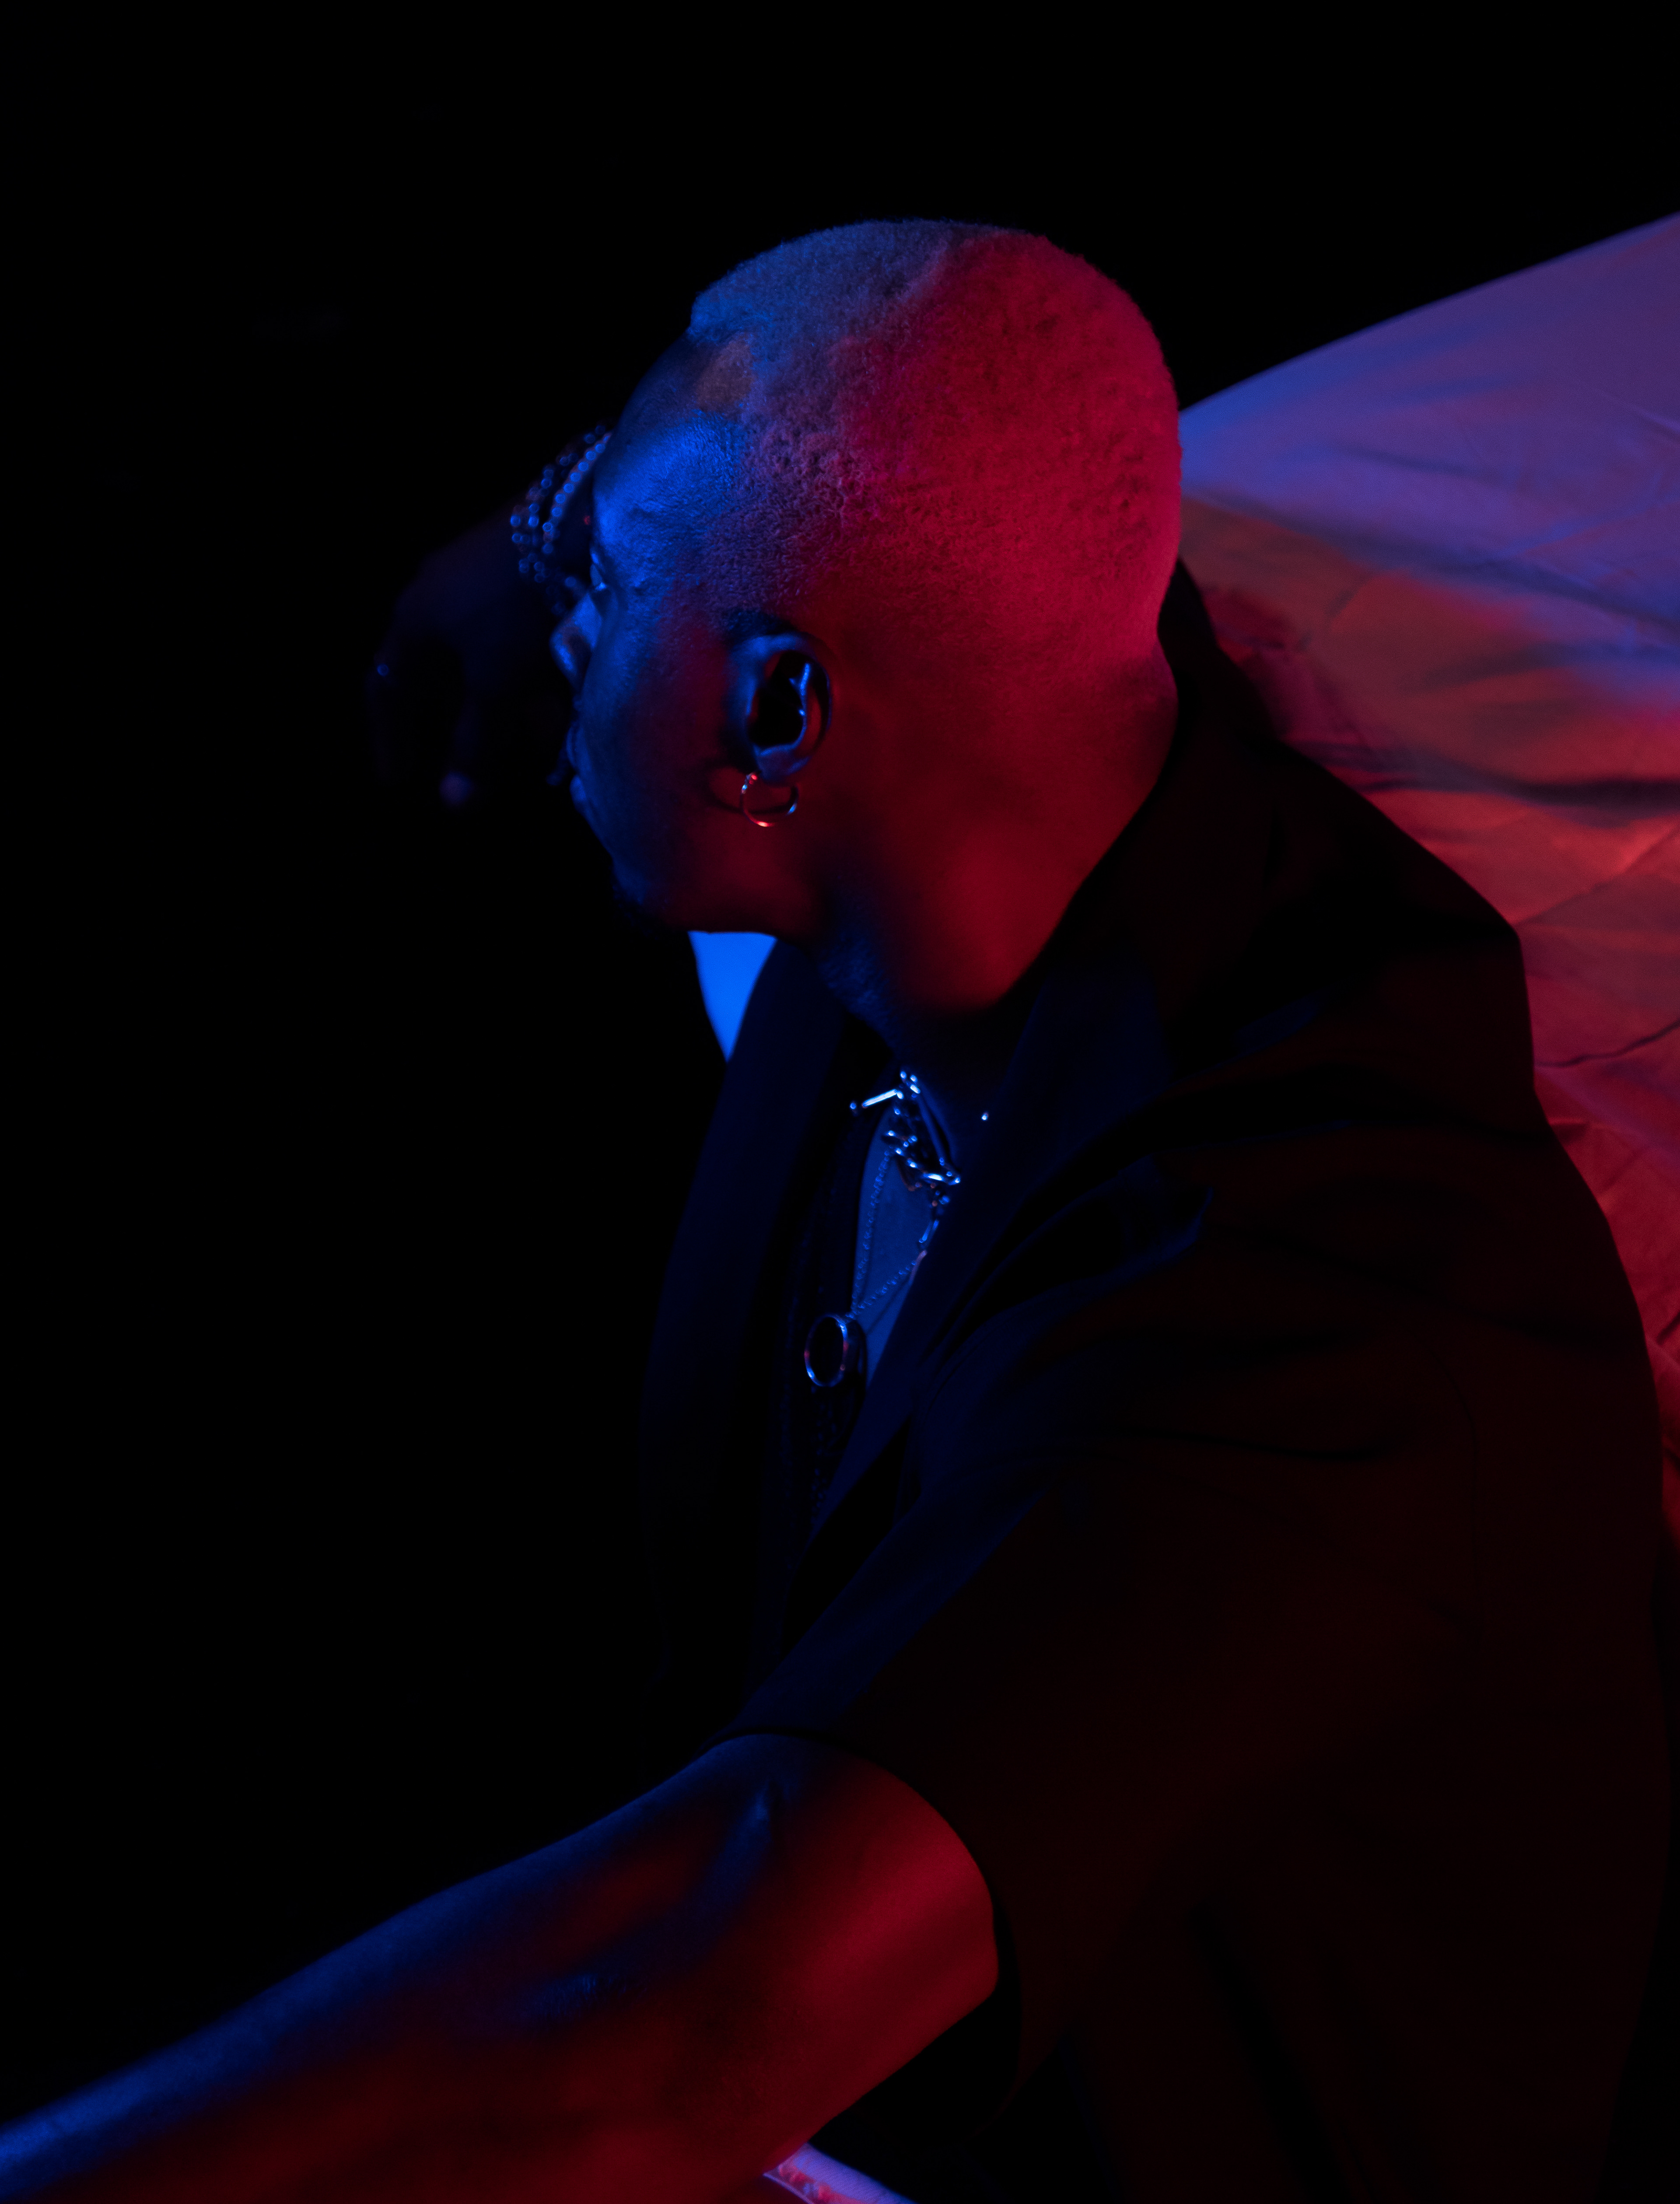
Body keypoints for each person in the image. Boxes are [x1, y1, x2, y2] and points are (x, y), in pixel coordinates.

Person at [2, 221, 1666, 2203]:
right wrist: (575, 537)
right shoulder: (1006, 749)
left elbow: (696, 2023)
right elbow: (924, 458)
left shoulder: (1321, 1312)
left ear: (781, 716)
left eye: (599, 592)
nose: (561, 634)